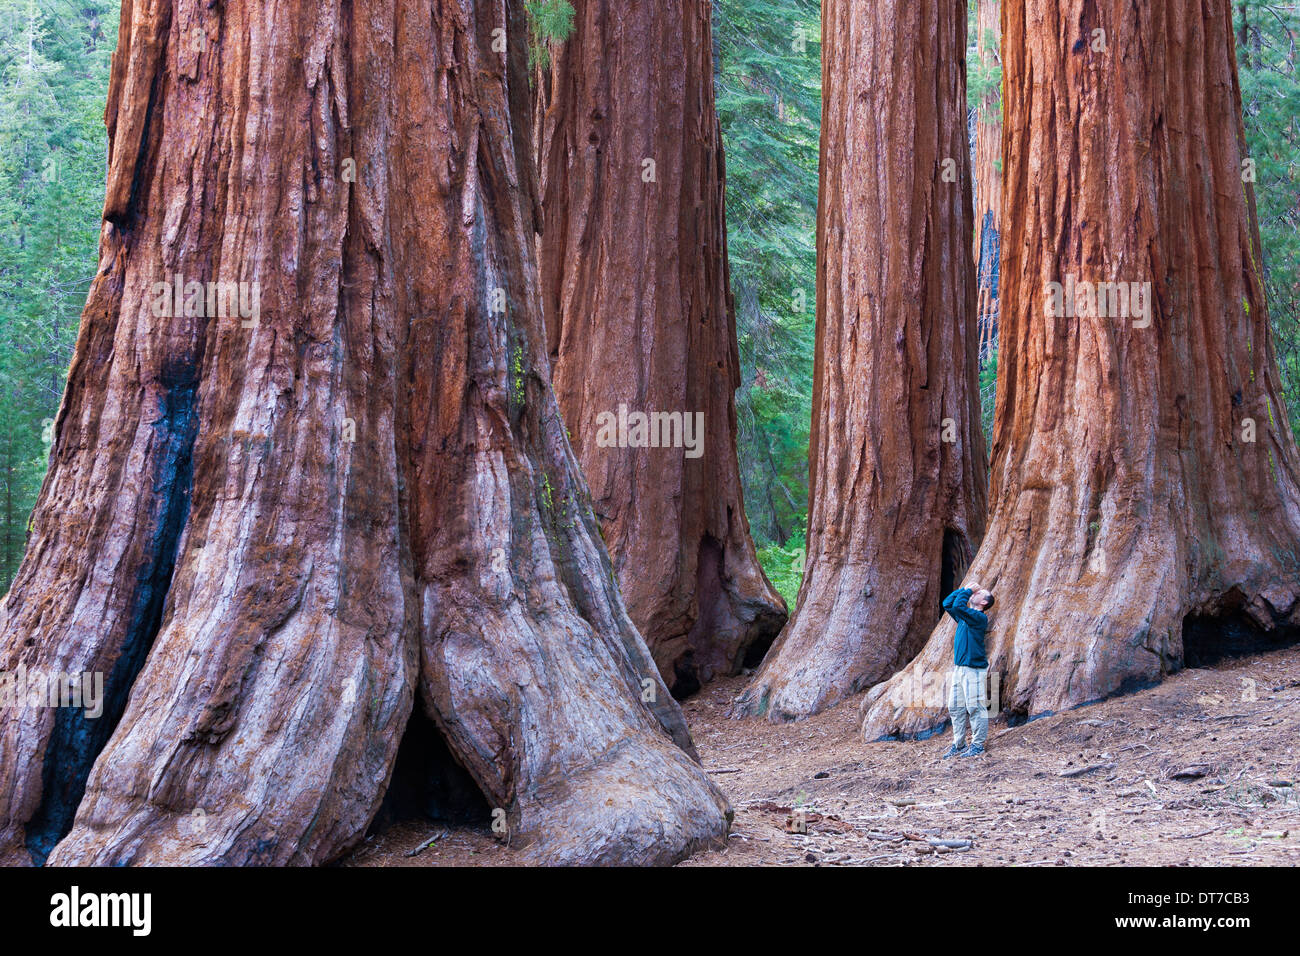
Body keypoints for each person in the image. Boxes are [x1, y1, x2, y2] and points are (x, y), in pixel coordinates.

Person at [940, 582, 994, 759]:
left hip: (974, 669)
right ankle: (959, 744)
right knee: (955, 707)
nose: (976, 593)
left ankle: (977, 745)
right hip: (960, 669)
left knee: (975, 707)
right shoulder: (965, 617)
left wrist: (969, 590)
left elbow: (957, 605)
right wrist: (963, 590)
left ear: (984, 602)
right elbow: (948, 603)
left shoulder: (978, 618)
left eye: (980, 593)